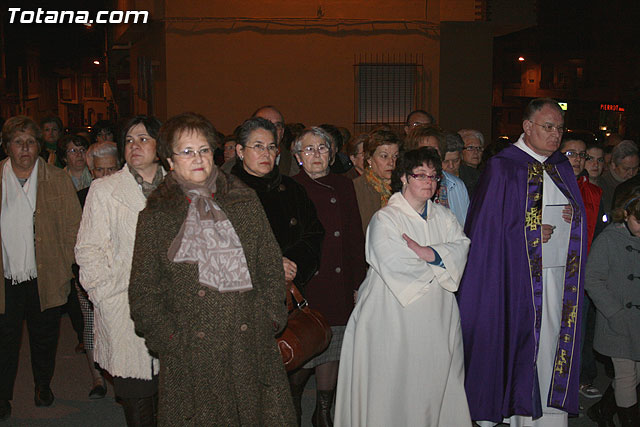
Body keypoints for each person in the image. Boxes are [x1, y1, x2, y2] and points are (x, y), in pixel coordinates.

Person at [127, 112, 296, 426]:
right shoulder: (157, 216)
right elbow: (143, 292)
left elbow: (270, 264)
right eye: (187, 151)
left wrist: (271, 315)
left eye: (204, 150)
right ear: (169, 160)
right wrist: (171, 339)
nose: (198, 159)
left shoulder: (244, 200)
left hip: (249, 343)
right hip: (192, 352)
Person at [458, 98, 588, 426]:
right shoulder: (504, 167)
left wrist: (574, 219)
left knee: (552, 346)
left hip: (557, 280)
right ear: (527, 127)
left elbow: (575, 217)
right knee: (522, 347)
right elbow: (485, 232)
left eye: (560, 128)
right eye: (548, 127)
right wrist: (527, 233)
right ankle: (519, 414)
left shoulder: (560, 167)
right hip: (516, 282)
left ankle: (550, 416)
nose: (555, 134)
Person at [335, 147, 471, 426]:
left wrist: (429, 253)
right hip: (393, 316)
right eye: (420, 175)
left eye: (433, 176)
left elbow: (463, 248)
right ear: (404, 179)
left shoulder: (445, 217)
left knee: (434, 383)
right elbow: (397, 265)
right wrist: (442, 260)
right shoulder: (386, 219)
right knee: (392, 387)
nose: (428, 182)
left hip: (439, 315)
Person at [230, 117, 323, 423]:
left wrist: (294, 264)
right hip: (242, 308)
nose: (266, 153)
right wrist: (270, 266)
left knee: (289, 383)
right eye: (257, 146)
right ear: (240, 151)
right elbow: (215, 253)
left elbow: (313, 233)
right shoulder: (223, 194)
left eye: (271, 146)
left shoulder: (292, 189)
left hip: (287, 302)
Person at [75, 115, 165, 426]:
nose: (134, 145)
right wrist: (105, 296)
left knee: (173, 400)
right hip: (125, 308)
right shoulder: (104, 190)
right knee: (138, 399)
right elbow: (88, 250)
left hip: (175, 310)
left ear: (160, 145)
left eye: (143, 139)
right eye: (129, 140)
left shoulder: (180, 187)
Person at [0, 116, 82, 421]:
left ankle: (43, 385)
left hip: (45, 273)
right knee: (5, 340)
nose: (25, 148)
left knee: (44, 335)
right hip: (6, 275)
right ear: (7, 146)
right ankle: (2, 395)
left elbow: (73, 228)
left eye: (31, 141)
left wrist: (65, 267)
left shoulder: (56, 179)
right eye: (18, 141)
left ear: (39, 145)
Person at [291, 127, 367, 426]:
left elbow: (353, 237)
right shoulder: (289, 187)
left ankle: (323, 410)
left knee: (333, 348)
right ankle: (294, 400)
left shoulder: (344, 186)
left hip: (338, 281)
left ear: (332, 153)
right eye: (309, 150)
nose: (317, 155)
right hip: (307, 282)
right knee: (304, 346)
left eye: (322, 148)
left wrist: (357, 282)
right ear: (298, 157)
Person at [585, 187, 640, 427]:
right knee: (627, 376)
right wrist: (615, 313)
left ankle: (602, 410)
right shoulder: (609, 239)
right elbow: (592, 279)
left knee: (634, 375)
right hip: (617, 319)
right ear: (626, 214)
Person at [74, 141, 120, 399]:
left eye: (111, 169)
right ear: (92, 171)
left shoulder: (126, 198)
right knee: (91, 325)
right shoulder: (81, 198)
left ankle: (119, 375)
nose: (106, 176)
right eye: (101, 170)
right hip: (88, 274)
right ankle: (97, 379)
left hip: (120, 275)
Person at [404, 125, 470, 226]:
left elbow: (465, 225)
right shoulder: (407, 184)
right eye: (424, 149)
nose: (429, 154)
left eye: (435, 149)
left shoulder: (456, 185)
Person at [352, 129, 400, 233]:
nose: (391, 162)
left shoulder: (404, 186)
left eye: (395, 156)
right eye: (384, 156)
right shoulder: (354, 189)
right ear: (369, 159)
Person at [600, 140, 639, 216]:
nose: (631, 173)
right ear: (614, 165)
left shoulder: (636, 182)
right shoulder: (603, 184)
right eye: (626, 169)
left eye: (635, 168)